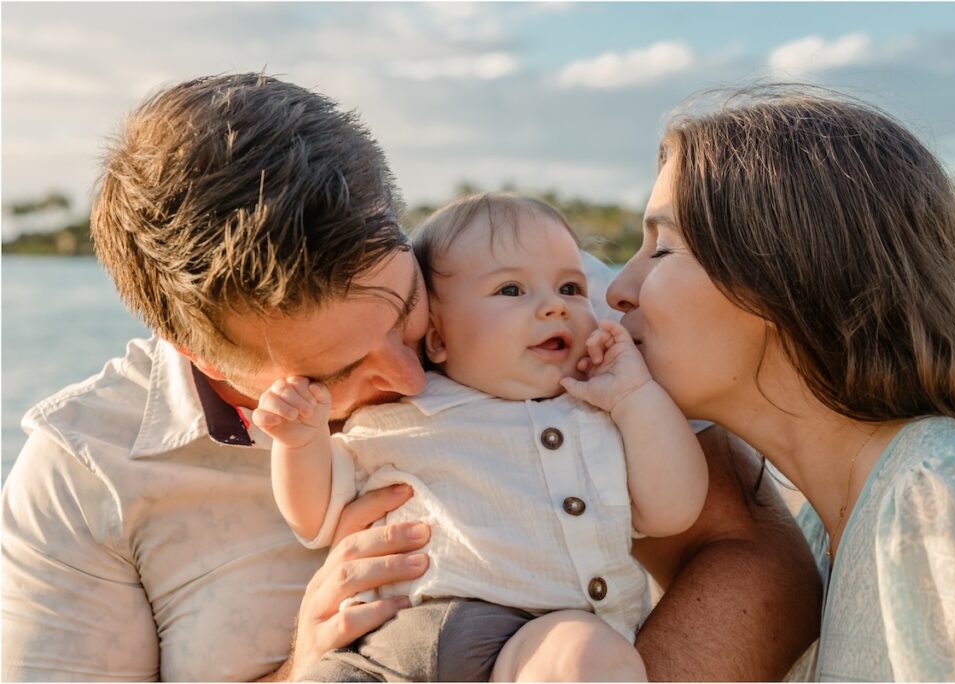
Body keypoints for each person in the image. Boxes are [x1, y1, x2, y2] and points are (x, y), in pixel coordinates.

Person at [1, 73, 820, 682]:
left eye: (404, 311)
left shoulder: (559, 315)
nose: (405, 372)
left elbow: (757, 557)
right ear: (210, 362)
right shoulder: (84, 474)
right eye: (338, 369)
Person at [605, 84, 955, 681]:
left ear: (778, 277)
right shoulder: (828, 533)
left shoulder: (946, 493)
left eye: (663, 249)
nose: (620, 288)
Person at [254, 193, 709, 681]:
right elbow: (314, 515)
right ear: (438, 337)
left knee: (588, 658)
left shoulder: (600, 418)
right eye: (511, 290)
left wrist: (636, 396)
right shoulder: (398, 415)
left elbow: (673, 509)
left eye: (572, 288)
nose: (554, 306)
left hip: (533, 645)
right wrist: (300, 443)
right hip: (383, 647)